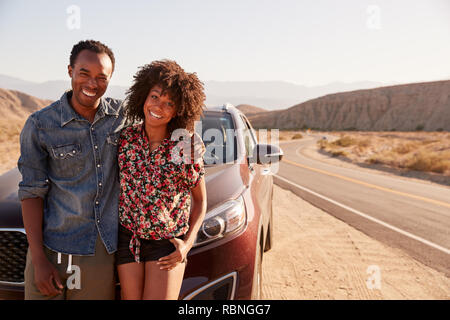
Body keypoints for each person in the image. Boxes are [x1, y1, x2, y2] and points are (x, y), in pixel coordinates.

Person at [18, 40, 205, 300]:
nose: (92, 84)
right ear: (70, 70)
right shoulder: (41, 125)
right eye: (84, 73)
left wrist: (191, 137)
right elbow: (31, 191)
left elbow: (161, 120)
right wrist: (37, 258)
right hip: (79, 246)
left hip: (124, 248)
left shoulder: (124, 119)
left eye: (101, 77)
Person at [116, 60, 207, 300]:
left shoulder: (185, 146)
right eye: (155, 97)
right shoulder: (126, 139)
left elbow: (200, 202)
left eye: (169, 103)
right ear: (143, 97)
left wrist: (187, 245)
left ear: (178, 111)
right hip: (129, 239)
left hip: (166, 244)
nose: (159, 106)